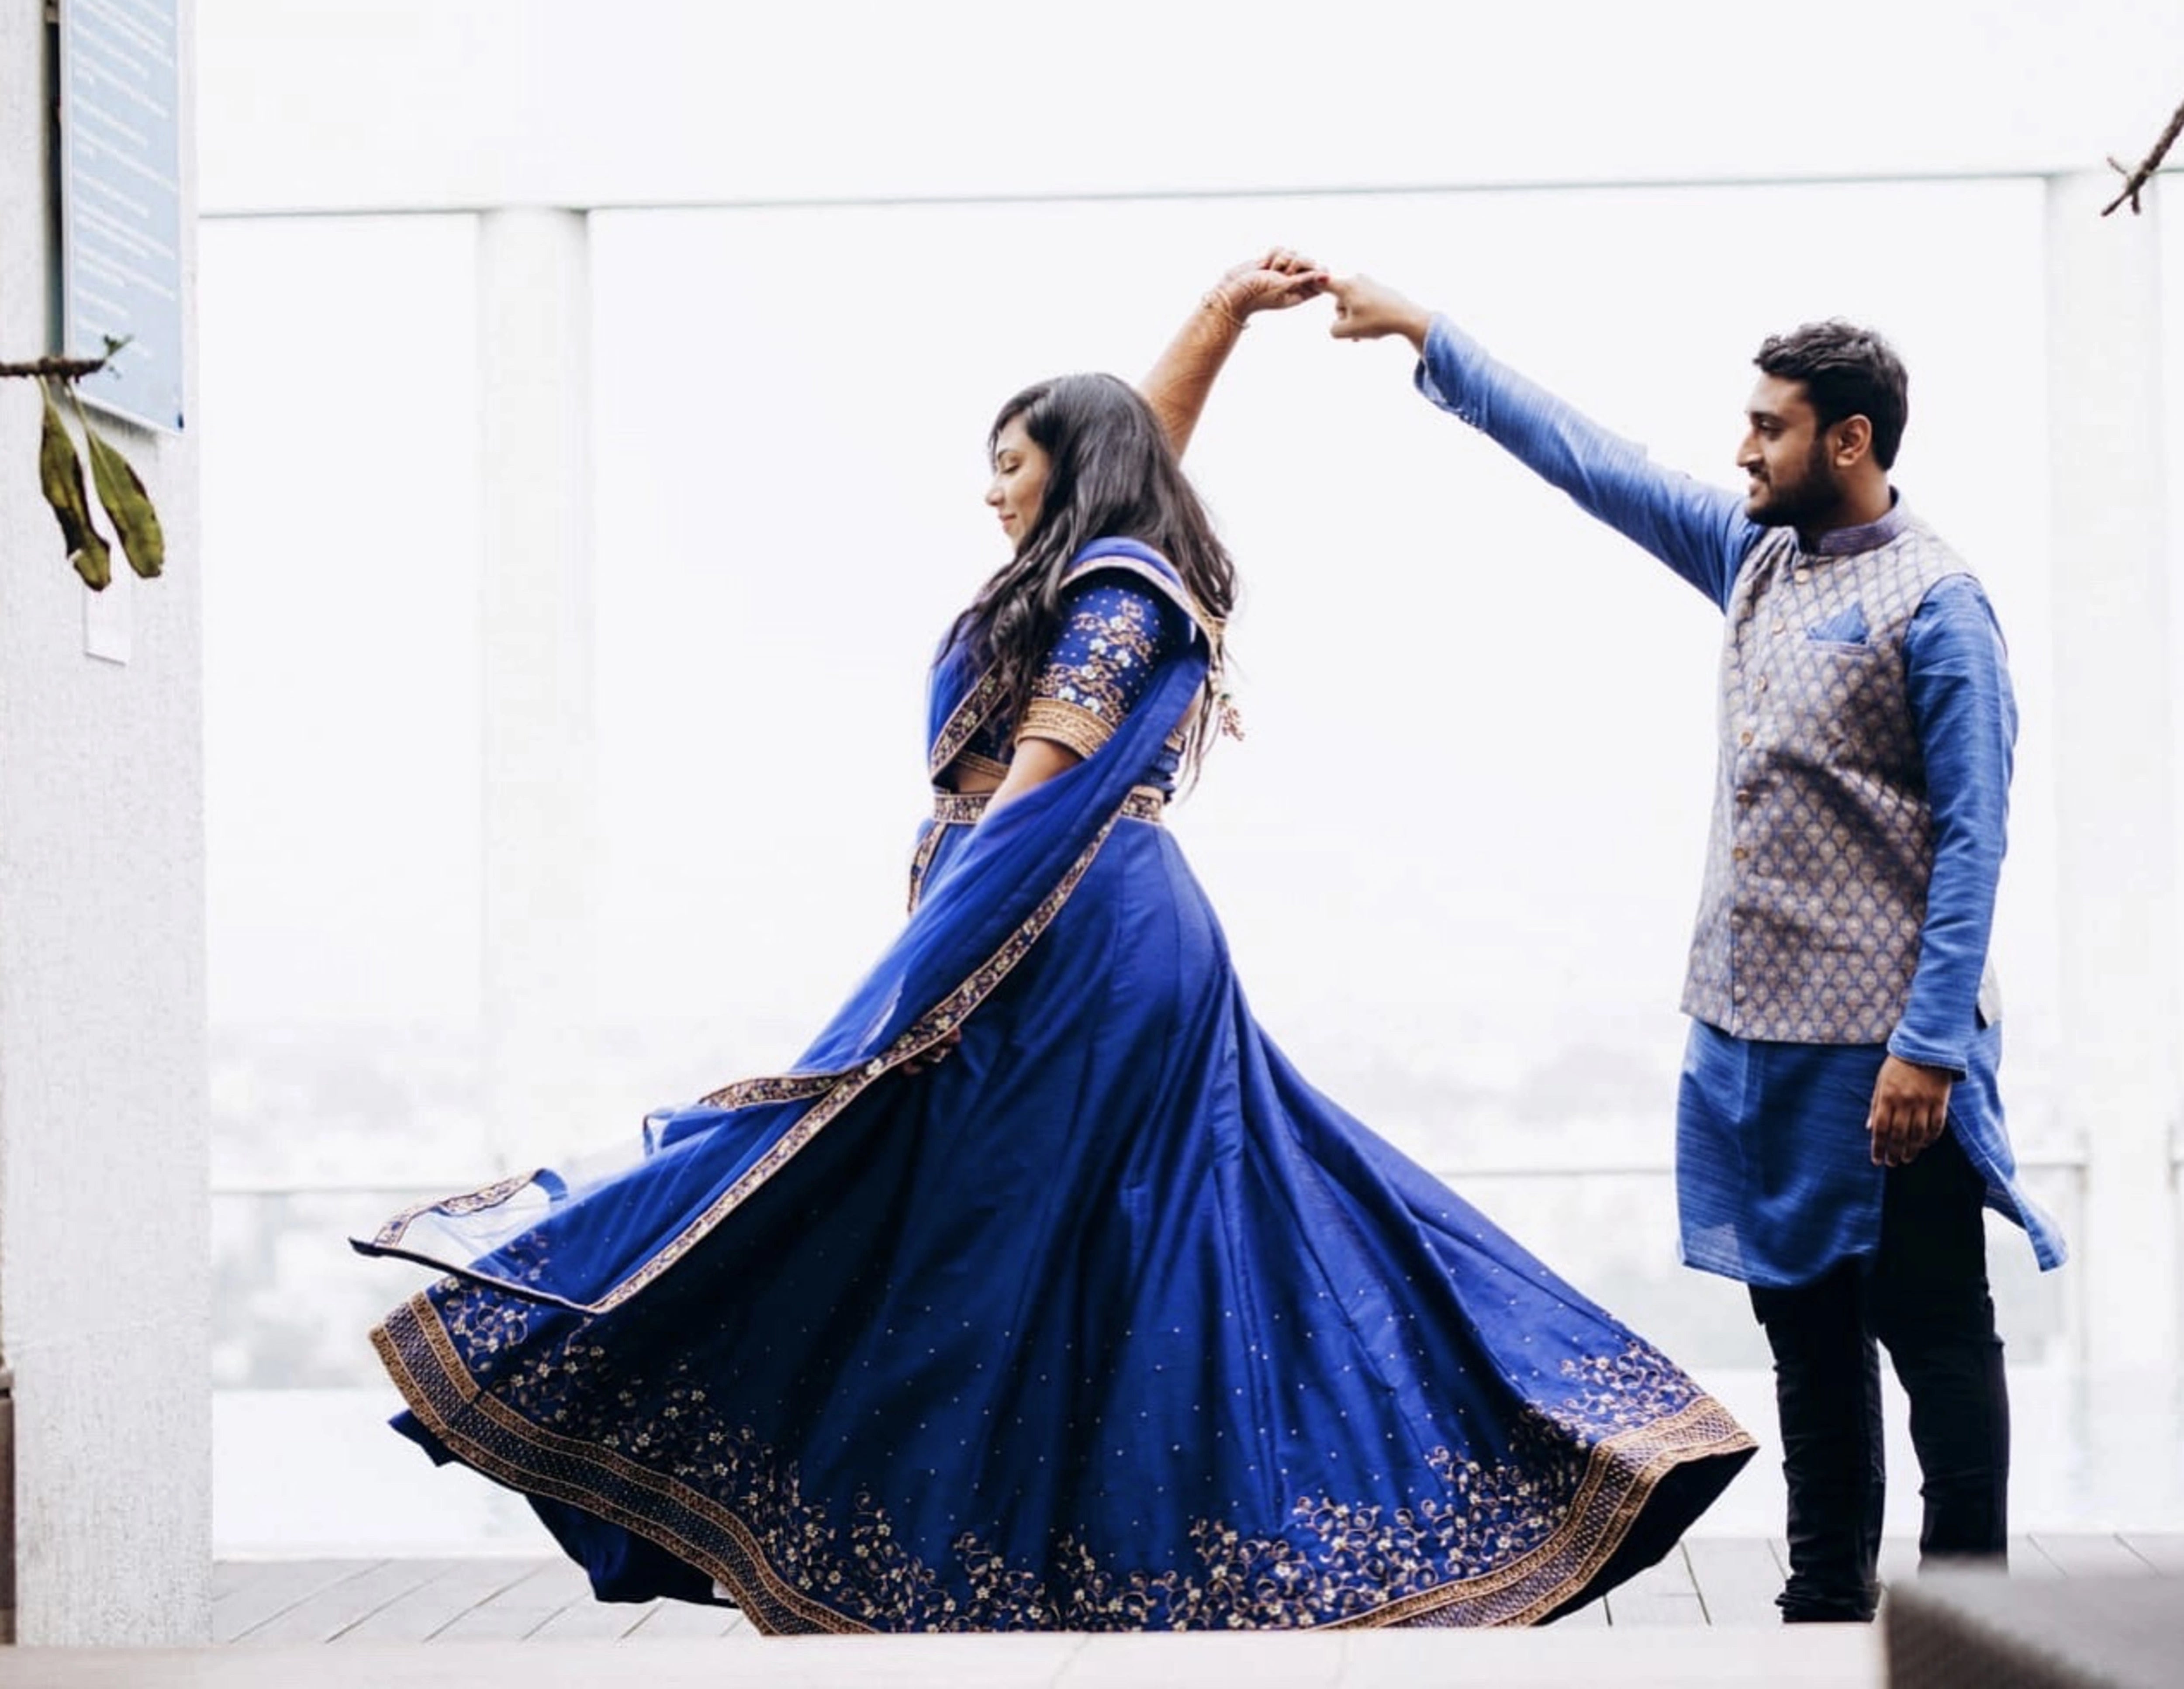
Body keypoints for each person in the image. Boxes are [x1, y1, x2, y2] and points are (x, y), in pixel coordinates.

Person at [353, 257, 1754, 1635]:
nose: (991, 487)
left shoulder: (1118, 594)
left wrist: (932, 979)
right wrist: (1215, 317)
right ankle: (1021, 1567)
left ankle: (1014, 1557)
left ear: (1065, 471)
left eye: (1008, 460)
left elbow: (1039, 786)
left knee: (997, 1230)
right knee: (1060, 1243)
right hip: (1058, 925)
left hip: (1071, 941)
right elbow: (1130, 445)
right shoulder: (1092, 566)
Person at [1317, 272, 2066, 1623]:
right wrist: (1432, 335)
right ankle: (1823, 1618)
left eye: (1768, 427)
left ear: (1848, 439)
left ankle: (1974, 1634)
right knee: (1810, 1352)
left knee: (1940, 1344)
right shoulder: (1756, 556)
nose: (1741, 450)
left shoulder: (1940, 606)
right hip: (1750, 1058)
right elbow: (1592, 461)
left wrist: (1929, 1050)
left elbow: (1976, 847)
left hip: (1890, 1063)